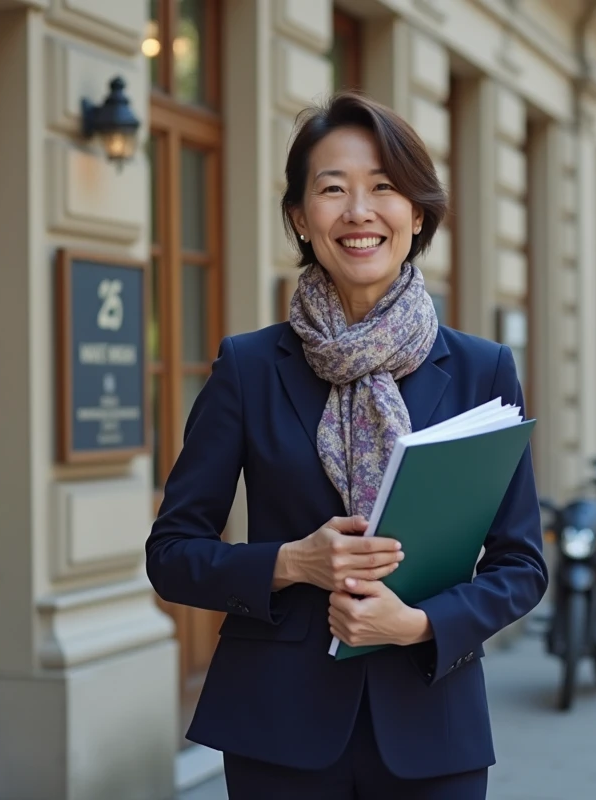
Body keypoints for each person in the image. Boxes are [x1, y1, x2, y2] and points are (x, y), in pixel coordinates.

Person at [144, 90, 548, 799]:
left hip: (432, 728)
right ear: (301, 219)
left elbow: (520, 565)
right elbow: (173, 555)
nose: (359, 211)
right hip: (278, 729)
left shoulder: (484, 369)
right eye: (333, 190)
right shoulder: (249, 368)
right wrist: (291, 562)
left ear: (415, 213)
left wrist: (420, 623)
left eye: (384, 188)